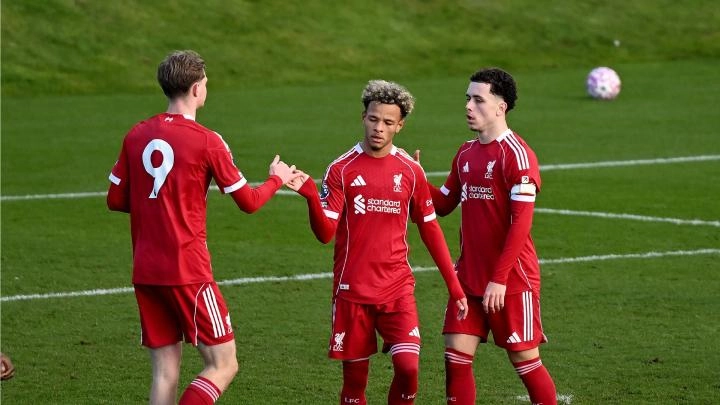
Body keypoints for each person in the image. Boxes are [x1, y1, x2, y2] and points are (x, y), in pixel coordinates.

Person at [107, 50, 300, 405]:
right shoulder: (207, 140)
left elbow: (115, 199)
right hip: (188, 270)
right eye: (206, 83)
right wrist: (277, 179)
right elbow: (249, 202)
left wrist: (159, 205)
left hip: (146, 269)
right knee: (223, 364)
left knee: (165, 374)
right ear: (196, 88)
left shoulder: (136, 134)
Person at [286, 79, 468, 405]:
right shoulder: (341, 169)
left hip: (397, 289)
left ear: (400, 126)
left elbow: (430, 230)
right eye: (373, 119)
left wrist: (454, 288)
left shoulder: (411, 171)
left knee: (408, 368)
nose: (378, 128)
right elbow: (325, 233)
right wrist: (311, 196)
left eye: (387, 122)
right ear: (363, 118)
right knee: (354, 386)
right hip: (352, 292)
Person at [417, 68, 557, 404]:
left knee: (525, 360)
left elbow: (521, 225)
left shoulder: (518, 156)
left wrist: (500, 279)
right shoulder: (466, 153)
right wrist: (418, 180)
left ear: (500, 107)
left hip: (512, 280)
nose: (469, 106)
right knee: (455, 357)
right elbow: (445, 203)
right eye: (468, 98)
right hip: (469, 278)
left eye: (478, 100)